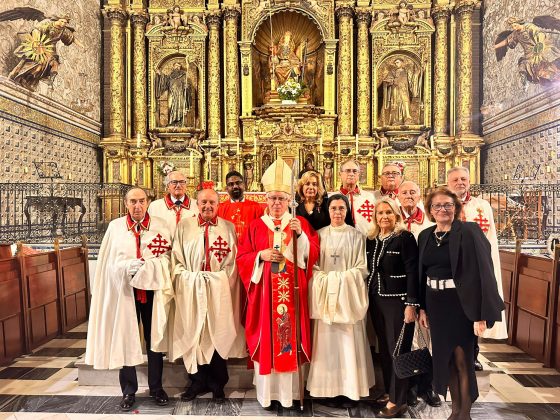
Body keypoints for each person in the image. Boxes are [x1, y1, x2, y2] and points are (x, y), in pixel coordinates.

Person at [237, 158, 320, 409]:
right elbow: (241, 258)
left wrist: (300, 236)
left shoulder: (299, 223)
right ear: (266, 199)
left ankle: (290, 395)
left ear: (288, 201)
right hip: (264, 296)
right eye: (272, 198)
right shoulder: (254, 226)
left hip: (291, 294)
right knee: (269, 339)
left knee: (288, 339)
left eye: (281, 199)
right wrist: (260, 256)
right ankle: (268, 395)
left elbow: (312, 254)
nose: (276, 203)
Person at [418, 188, 505, 420]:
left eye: (448, 205)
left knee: (462, 358)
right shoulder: (425, 236)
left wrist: (481, 314)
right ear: (430, 210)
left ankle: (463, 414)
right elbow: (421, 273)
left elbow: (483, 273)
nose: (443, 209)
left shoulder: (469, 231)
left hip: (461, 305)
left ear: (456, 208)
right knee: (446, 359)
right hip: (436, 305)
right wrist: (422, 307)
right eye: (437, 206)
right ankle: (455, 410)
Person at [85, 187, 171, 411]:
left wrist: (151, 266)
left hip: (153, 290)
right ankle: (128, 390)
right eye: (133, 201)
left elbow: (170, 259)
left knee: (155, 340)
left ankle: (156, 387)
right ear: (126, 204)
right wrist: (126, 267)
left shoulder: (161, 226)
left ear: (148, 201)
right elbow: (108, 265)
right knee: (125, 337)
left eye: (142, 201)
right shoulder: (115, 228)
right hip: (124, 292)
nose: (137, 206)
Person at [170, 186, 246, 403]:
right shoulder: (184, 227)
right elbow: (177, 259)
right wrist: (187, 278)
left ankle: (218, 384)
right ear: (197, 204)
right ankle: (196, 382)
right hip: (191, 290)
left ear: (218, 204)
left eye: (212, 202)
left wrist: (217, 281)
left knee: (216, 333)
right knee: (194, 333)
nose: (208, 206)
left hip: (218, 292)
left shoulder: (228, 228)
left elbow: (233, 263)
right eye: (204, 202)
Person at [307, 194, 374, 407]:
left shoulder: (357, 236)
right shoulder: (318, 235)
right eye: (334, 208)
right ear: (328, 211)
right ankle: (325, 389)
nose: (337, 212)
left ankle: (349, 390)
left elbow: (362, 268)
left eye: (341, 208)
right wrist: (326, 280)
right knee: (326, 347)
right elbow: (313, 268)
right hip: (325, 299)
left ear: (347, 211)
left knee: (348, 346)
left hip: (348, 302)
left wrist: (338, 280)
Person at [447, 167, 508, 370]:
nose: (460, 182)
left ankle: (473, 355)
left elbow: (489, 239)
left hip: (474, 269)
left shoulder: (481, 206)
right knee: (451, 314)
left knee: (474, 312)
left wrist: (487, 266)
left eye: (463, 179)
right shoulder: (444, 205)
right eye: (455, 179)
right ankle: (449, 355)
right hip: (450, 268)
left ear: (469, 181)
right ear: (448, 183)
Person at [366, 197, 419, 418]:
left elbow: (412, 272)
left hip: (398, 301)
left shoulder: (404, 238)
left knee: (398, 350)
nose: (384, 217)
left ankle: (399, 400)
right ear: (375, 217)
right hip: (377, 301)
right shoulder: (372, 239)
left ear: (396, 215)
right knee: (385, 350)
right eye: (380, 213)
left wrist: (411, 304)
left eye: (388, 212)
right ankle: (391, 391)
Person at [397, 181, 441, 408]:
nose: (408, 196)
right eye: (404, 192)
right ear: (398, 195)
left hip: (426, 290)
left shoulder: (428, 222)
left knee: (428, 340)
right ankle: (411, 388)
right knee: (408, 341)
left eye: (413, 192)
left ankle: (429, 386)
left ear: (419, 195)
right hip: (402, 290)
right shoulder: (394, 219)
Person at [148, 170, 198, 237]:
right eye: (174, 182)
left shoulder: (196, 205)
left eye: (182, 182)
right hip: (165, 245)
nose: (178, 185)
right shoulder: (155, 206)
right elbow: (150, 231)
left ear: (186, 185)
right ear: (168, 185)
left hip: (189, 245)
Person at [217, 170, 264, 239]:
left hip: (249, 247)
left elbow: (260, 231)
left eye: (238, 183)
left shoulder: (256, 207)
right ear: (226, 189)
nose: (235, 186)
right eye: (231, 184)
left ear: (244, 185)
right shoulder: (220, 209)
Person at [338, 159, 375, 236]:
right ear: (340, 174)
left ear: (358, 174)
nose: (351, 174)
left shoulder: (369, 197)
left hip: (366, 240)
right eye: (348, 171)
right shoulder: (332, 198)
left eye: (354, 171)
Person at [155, 62, 194, 127]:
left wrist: (187, 87)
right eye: (175, 66)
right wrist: (160, 74)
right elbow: (164, 80)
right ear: (173, 67)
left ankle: (181, 122)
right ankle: (172, 122)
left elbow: (188, 85)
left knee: (181, 108)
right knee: (171, 107)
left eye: (178, 66)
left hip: (180, 95)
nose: (177, 67)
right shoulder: (170, 76)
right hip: (172, 95)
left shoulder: (184, 76)